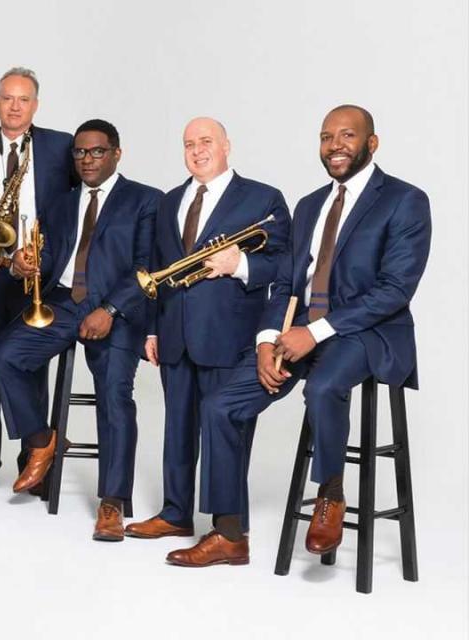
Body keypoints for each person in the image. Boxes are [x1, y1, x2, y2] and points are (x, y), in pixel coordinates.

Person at [178, 105, 429, 565]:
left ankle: (330, 492)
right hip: (297, 334)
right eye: (326, 137)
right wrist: (266, 340)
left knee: (324, 386)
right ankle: (230, 534)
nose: (335, 145)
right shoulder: (310, 205)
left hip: (366, 335)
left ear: (371, 144)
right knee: (219, 405)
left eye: (347, 136)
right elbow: (289, 286)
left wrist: (313, 333)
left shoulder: (405, 200)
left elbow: (394, 291)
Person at [125, 117, 289, 566]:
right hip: (176, 334)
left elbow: (284, 269)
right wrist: (153, 329)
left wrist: (239, 265)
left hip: (229, 334)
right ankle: (177, 513)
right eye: (189, 144)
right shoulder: (170, 201)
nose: (197, 150)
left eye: (206, 142)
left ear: (227, 146)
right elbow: (159, 271)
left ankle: (227, 531)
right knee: (177, 429)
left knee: (225, 432)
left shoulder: (263, 199)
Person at [0, 119, 160, 539]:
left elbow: (146, 268)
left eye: (97, 151)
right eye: (80, 152)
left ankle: (112, 503)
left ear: (117, 153)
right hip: (63, 303)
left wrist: (112, 309)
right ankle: (42, 439)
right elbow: (51, 259)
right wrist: (20, 265)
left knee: (114, 395)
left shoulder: (145, 200)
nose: (87, 159)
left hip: (115, 309)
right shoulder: (62, 203)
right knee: (3, 356)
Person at [0, 67, 77, 493]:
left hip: (37, 275)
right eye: (8, 98)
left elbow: (83, 206)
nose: (15, 106)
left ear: (36, 105)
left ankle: (33, 460)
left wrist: (49, 256)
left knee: (30, 367)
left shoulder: (62, 149)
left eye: (23, 99)